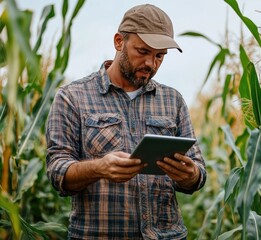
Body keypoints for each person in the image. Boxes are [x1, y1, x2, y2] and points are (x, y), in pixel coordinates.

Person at [45, 3, 206, 239]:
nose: (151, 64)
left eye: (159, 56)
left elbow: (198, 171)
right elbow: (57, 171)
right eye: (143, 52)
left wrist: (191, 176)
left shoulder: (173, 100)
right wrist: (99, 168)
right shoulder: (73, 97)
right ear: (119, 41)